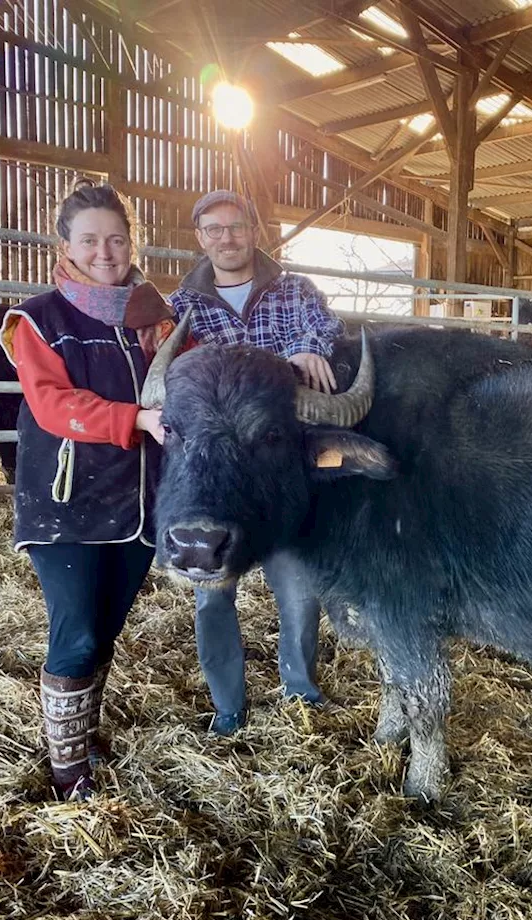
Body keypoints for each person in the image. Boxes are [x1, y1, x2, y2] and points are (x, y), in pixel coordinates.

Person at [0, 178, 183, 800]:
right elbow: (52, 404)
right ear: (66, 246)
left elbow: (193, 374)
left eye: (116, 238)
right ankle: (67, 772)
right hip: (65, 502)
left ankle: (83, 735)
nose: (105, 251)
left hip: (139, 501)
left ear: (133, 241)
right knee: (75, 631)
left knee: (105, 628)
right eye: (90, 240)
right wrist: (132, 419)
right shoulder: (39, 319)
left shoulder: (157, 319)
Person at [168, 190, 345, 734]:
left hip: (274, 465)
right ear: (201, 238)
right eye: (214, 230)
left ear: (255, 231)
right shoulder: (183, 305)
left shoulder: (295, 291)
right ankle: (229, 706)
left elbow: (326, 329)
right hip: (211, 476)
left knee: (296, 582)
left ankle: (301, 692)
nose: (227, 238)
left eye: (236, 227)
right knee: (211, 591)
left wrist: (312, 348)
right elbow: (166, 366)